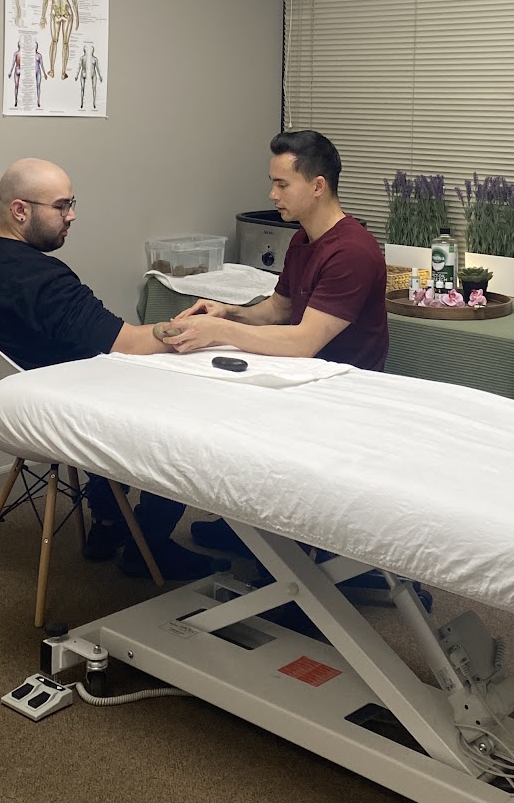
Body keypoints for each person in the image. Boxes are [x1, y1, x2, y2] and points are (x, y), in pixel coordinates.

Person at [0, 158, 228, 582]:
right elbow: (129, 342)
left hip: (6, 408)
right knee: (177, 411)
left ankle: (109, 523)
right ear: (20, 210)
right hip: (53, 417)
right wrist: (202, 328)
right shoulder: (45, 280)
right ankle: (147, 544)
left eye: (72, 203)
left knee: (105, 393)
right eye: (61, 206)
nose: (71, 215)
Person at [164, 129, 388, 563]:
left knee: (216, 418)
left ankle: (280, 547)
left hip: (340, 390)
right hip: (301, 376)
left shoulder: (352, 251)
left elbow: (304, 341)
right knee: (193, 407)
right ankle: (245, 532)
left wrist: (219, 332)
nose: (272, 194)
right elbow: (278, 311)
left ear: (318, 186)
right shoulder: (304, 239)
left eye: (282, 184)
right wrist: (228, 313)